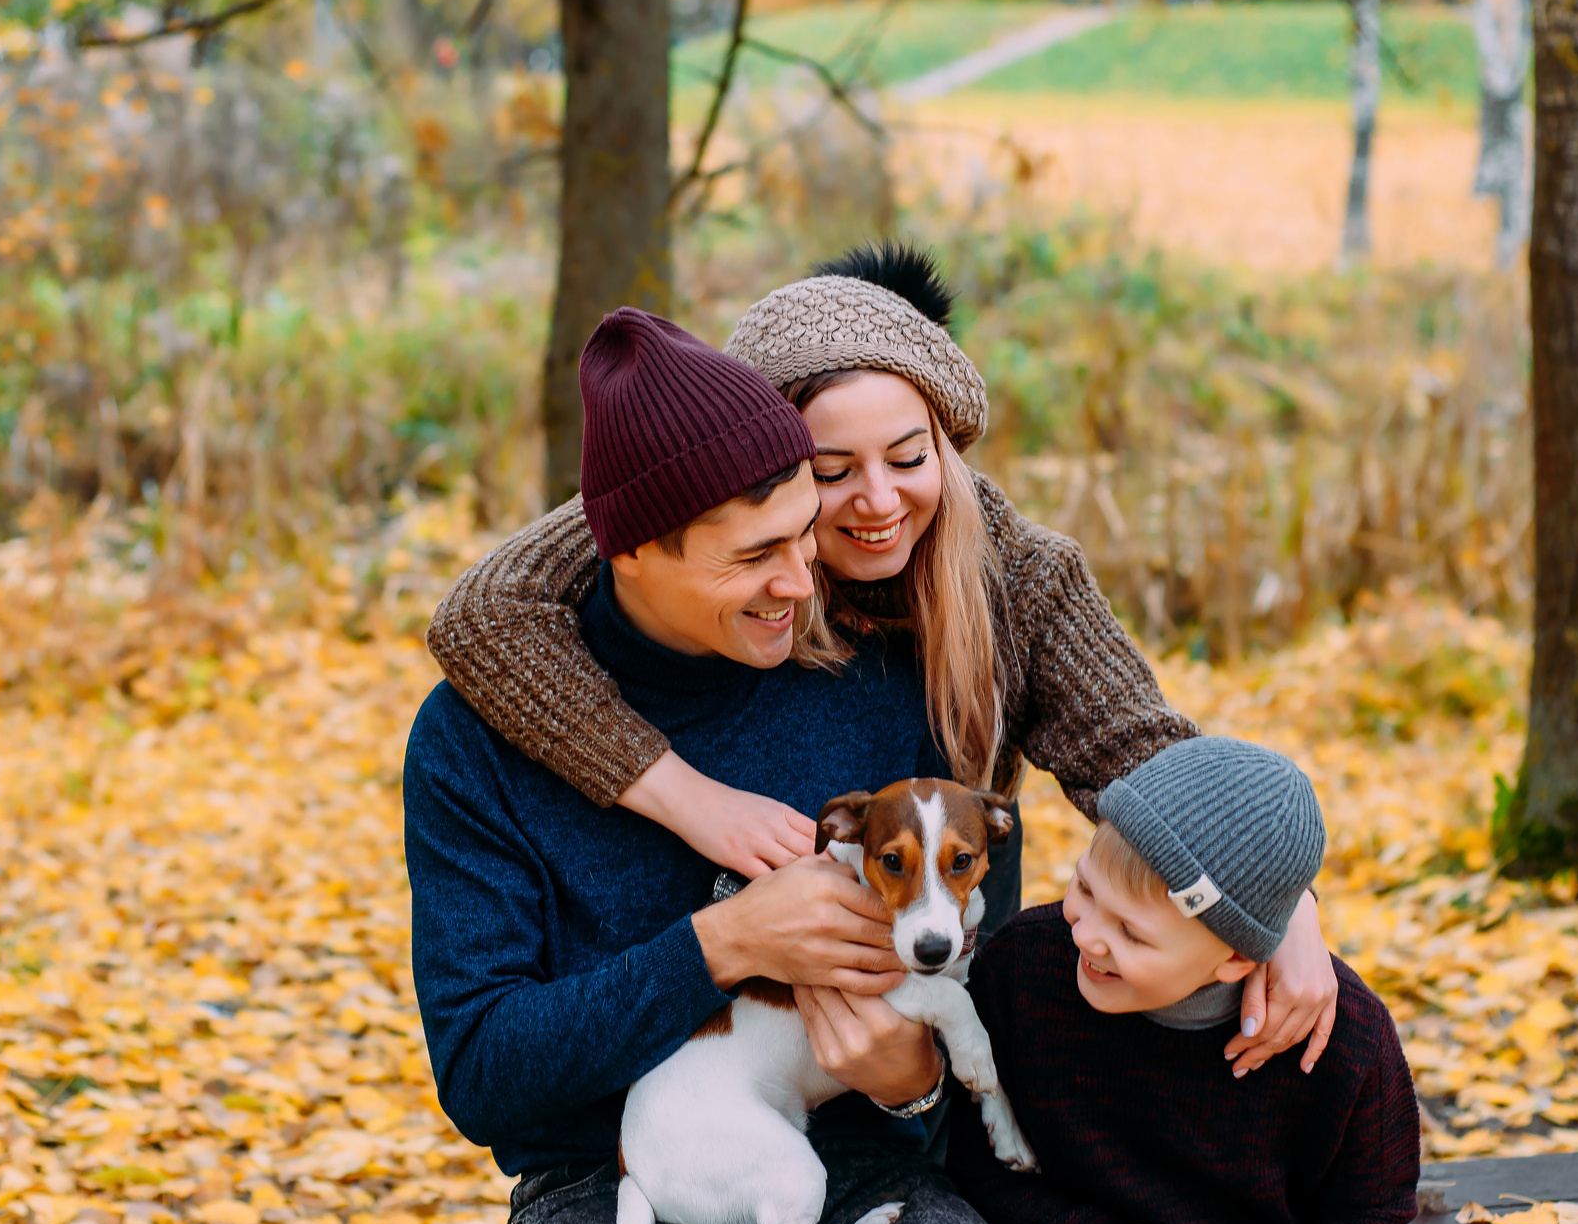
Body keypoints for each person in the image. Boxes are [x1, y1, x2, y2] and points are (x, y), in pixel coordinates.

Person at [406, 307, 1092, 1224]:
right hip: (606, 1197)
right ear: (626, 554)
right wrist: (715, 945)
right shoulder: (477, 739)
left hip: (868, 1167)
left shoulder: (883, 683)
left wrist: (906, 1079)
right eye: (752, 558)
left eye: (801, 534)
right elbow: (483, 1070)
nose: (801, 580)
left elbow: (958, 989)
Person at [429, 243, 1336, 1076]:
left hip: (939, 1052)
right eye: (829, 471)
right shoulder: (715, 543)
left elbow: (1144, 757)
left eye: (909, 456)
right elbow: (483, 610)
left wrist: (1282, 907)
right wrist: (684, 797)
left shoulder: (1013, 577)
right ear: (767, 464)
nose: (878, 502)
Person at [948, 737, 1531, 1224]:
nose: (1086, 932)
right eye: (1084, 887)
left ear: (1232, 958)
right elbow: (989, 1178)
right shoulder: (1025, 972)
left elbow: (1367, 1211)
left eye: (1131, 932)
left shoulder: (1345, 1037)